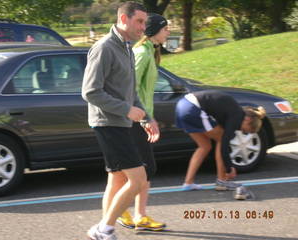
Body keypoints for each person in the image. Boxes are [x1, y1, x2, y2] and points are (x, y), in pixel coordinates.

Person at [82, 2, 157, 240]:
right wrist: (126, 110)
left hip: (121, 122)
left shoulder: (126, 48)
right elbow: (90, 91)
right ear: (124, 19)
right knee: (138, 179)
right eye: (139, 21)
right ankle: (103, 229)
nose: (143, 27)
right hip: (107, 123)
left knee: (116, 179)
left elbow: (131, 91)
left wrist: (146, 117)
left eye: (144, 22)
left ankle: (105, 231)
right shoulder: (104, 47)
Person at [116, 13, 170, 231]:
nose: (168, 32)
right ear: (154, 30)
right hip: (134, 121)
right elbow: (130, 88)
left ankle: (134, 214)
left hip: (140, 118)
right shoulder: (141, 52)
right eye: (165, 28)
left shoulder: (149, 51)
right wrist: (145, 118)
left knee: (129, 172)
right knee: (143, 170)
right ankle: (130, 213)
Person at [175, 90, 266, 192]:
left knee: (205, 146)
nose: (241, 131)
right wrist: (229, 168)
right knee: (221, 139)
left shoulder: (232, 111)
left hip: (182, 105)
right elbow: (224, 145)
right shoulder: (236, 115)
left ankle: (188, 183)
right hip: (193, 108)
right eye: (245, 130)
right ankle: (221, 181)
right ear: (248, 120)